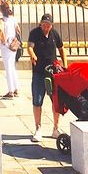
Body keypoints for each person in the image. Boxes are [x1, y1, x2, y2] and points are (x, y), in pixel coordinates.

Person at [27, 13, 67, 142]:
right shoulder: (34, 33)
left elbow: (61, 49)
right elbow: (29, 47)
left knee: (56, 101)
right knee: (37, 100)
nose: (45, 27)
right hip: (39, 72)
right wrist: (32, 55)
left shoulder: (54, 34)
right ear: (40, 23)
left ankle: (56, 128)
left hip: (53, 73)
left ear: (51, 26)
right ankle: (38, 128)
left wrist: (65, 64)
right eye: (44, 25)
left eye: (48, 25)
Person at [0, 0, 20, 98]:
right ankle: (16, 88)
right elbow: (18, 30)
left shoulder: (1, 21)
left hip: (6, 45)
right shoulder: (13, 19)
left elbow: (1, 32)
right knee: (12, 66)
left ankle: (10, 90)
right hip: (13, 44)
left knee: (8, 68)